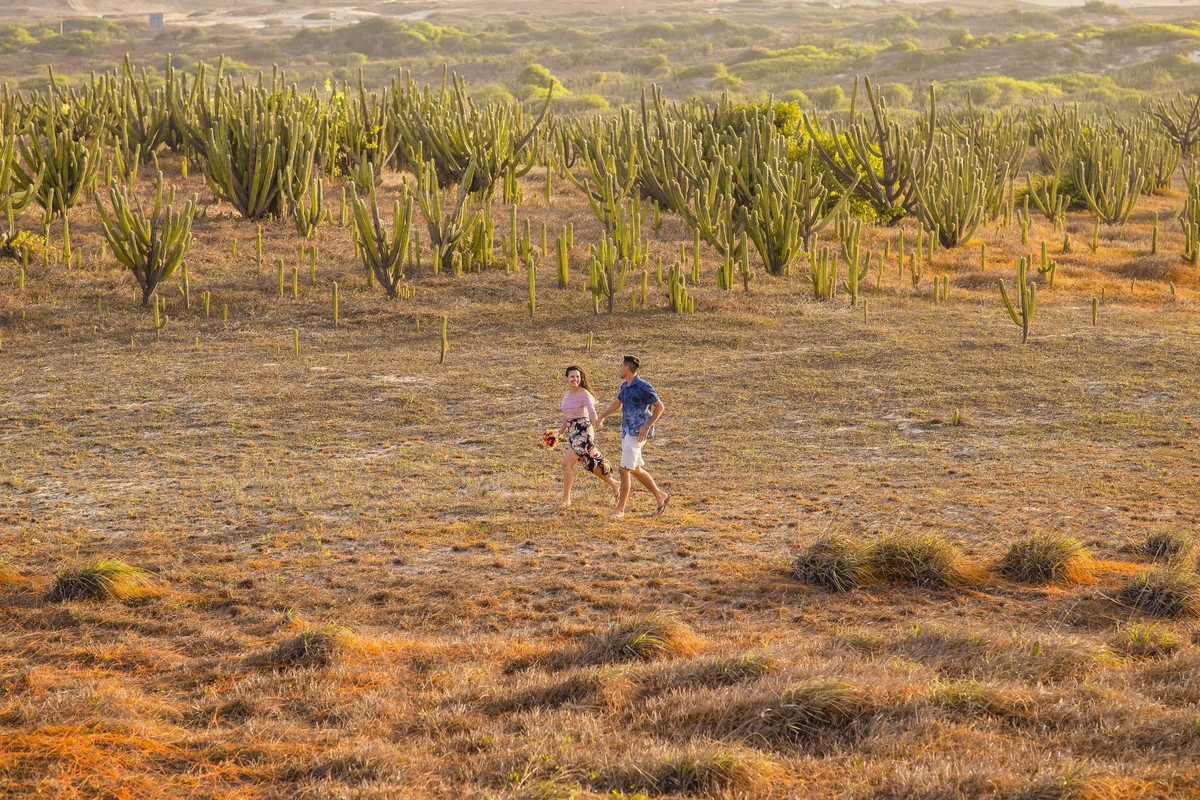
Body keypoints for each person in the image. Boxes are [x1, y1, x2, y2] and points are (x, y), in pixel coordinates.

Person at [598, 355, 669, 518]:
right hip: (627, 432)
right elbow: (617, 404)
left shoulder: (643, 386)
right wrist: (602, 416)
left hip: (637, 434)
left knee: (624, 470)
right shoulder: (625, 386)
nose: (619, 369)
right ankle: (660, 495)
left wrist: (646, 427)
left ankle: (620, 509)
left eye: (621, 366)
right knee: (635, 469)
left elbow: (659, 407)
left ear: (627, 368)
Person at [557, 365, 619, 507]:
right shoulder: (566, 395)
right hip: (573, 432)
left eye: (578, 376)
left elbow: (591, 411)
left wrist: (596, 420)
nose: (575, 379)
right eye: (572, 376)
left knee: (566, 463)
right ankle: (615, 484)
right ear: (567, 377)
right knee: (591, 464)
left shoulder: (584, 393)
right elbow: (566, 417)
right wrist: (559, 434)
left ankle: (566, 499)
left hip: (584, 431)